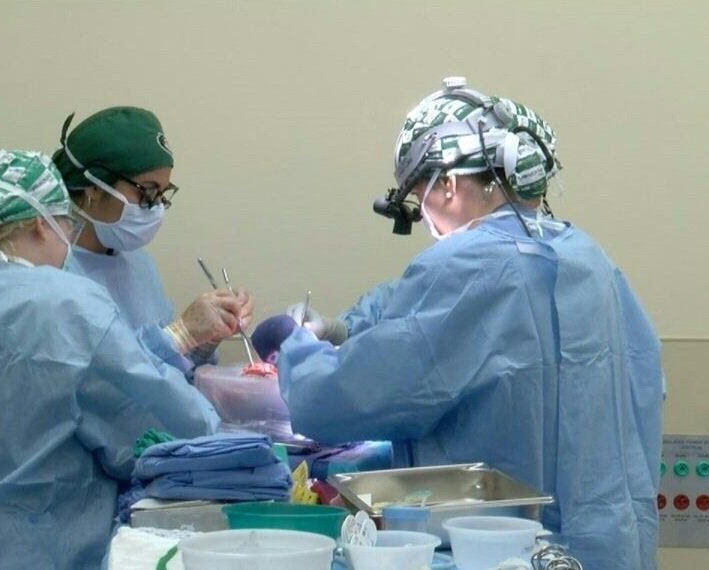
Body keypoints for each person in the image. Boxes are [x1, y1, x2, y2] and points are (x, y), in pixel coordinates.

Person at [253, 77, 663, 569]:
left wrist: (299, 347)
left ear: (446, 183)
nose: (423, 220)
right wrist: (344, 328)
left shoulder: (467, 265)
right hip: (607, 545)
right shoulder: (588, 260)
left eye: (417, 199)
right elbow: (416, 312)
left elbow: (342, 398)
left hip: (495, 549)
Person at [0, 149, 226, 569]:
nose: (69, 242)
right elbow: (167, 432)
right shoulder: (67, 305)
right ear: (41, 223)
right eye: (66, 226)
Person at [52, 107, 253, 367]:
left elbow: (165, 376)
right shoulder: (52, 274)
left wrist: (203, 337)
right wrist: (180, 333)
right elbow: (94, 382)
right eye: (147, 192)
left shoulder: (137, 262)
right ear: (94, 187)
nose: (156, 207)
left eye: (162, 194)